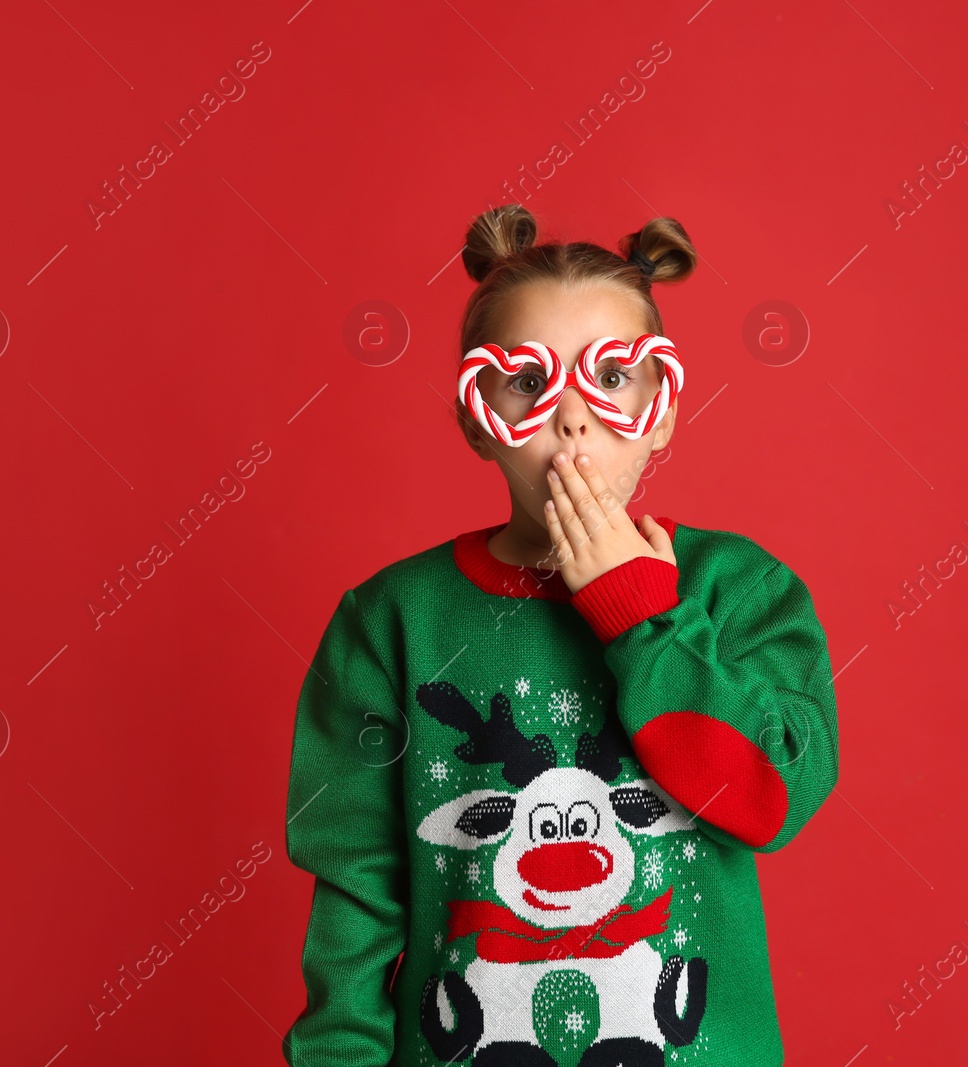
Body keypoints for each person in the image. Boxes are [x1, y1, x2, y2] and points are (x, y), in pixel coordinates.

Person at [282, 204, 840, 1067]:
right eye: (529, 384)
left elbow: (772, 797)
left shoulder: (742, 592)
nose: (573, 418)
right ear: (476, 418)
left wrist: (641, 614)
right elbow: (357, 890)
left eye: (613, 379)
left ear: (660, 413)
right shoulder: (391, 620)